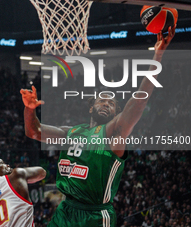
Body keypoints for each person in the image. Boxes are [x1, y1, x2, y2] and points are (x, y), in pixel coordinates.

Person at [20, 26, 175, 227]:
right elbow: (34, 131)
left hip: (94, 215)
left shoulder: (113, 133)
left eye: (112, 103)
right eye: (102, 100)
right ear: (91, 107)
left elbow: (138, 103)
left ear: (116, 112)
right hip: (65, 211)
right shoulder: (72, 132)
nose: (106, 104)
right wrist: (30, 109)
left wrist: (158, 55)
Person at [0, 154, 46, 227]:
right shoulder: (14, 177)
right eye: (1, 163)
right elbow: (42, 172)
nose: (7, 165)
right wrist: (13, 171)